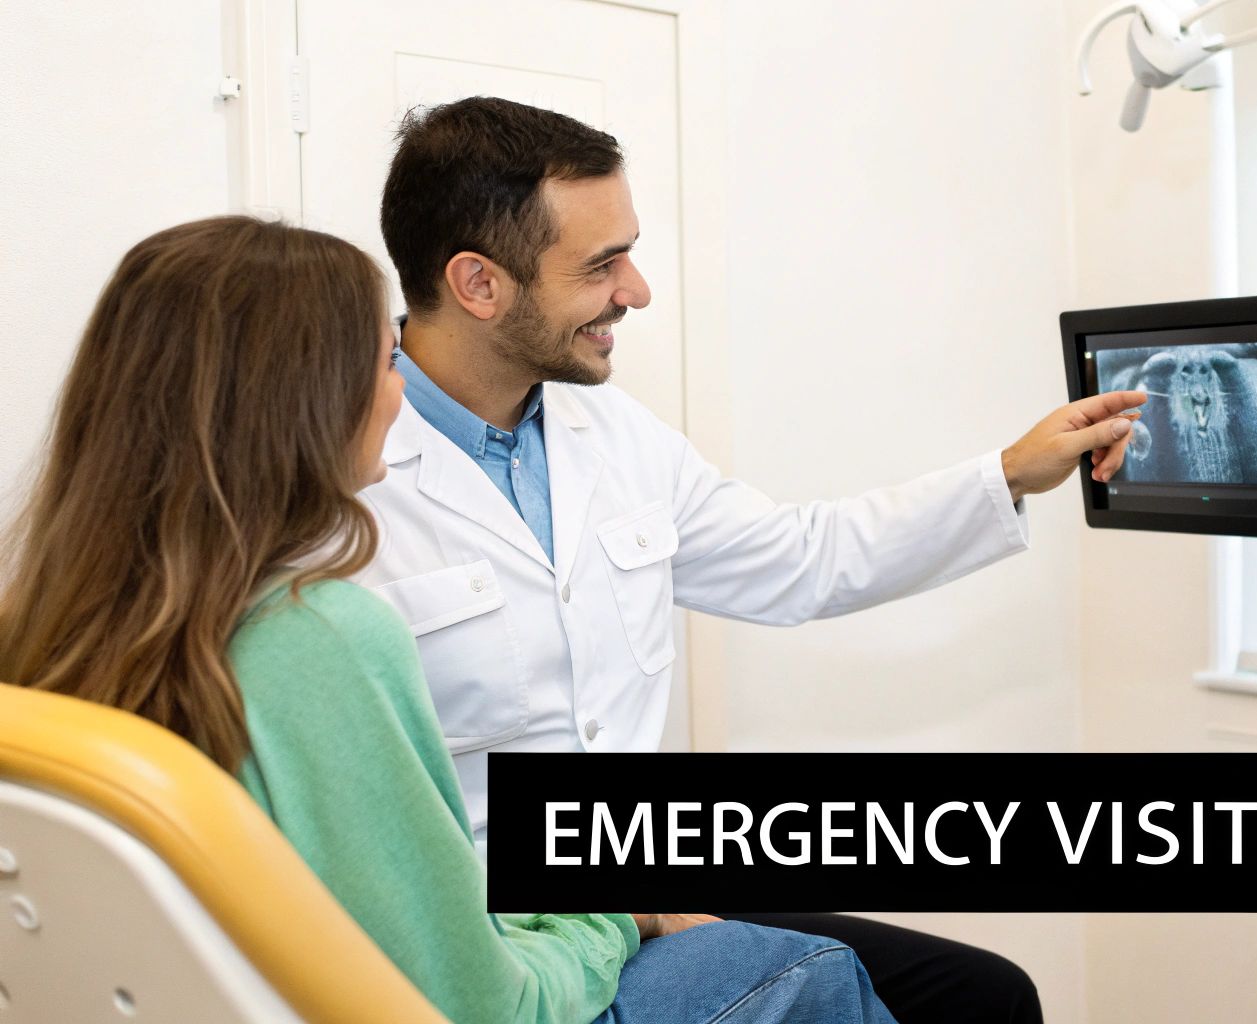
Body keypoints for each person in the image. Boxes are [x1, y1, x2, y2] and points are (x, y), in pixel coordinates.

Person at [360, 96, 1143, 1024]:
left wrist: (1009, 473)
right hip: (500, 930)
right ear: (479, 285)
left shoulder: (607, 432)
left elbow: (799, 559)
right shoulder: (338, 480)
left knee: (985, 996)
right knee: (814, 978)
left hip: (625, 878)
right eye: (602, 266)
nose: (636, 291)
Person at [0, 215, 898, 1024]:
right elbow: (482, 1005)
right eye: (381, 362)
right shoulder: (318, 639)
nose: (399, 393)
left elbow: (798, 554)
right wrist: (615, 921)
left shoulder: (62, 628)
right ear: (301, 402)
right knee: (807, 968)